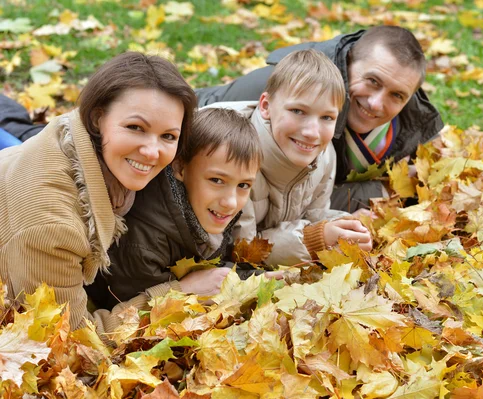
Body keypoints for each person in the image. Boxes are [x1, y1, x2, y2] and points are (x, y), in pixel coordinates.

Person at [0, 52, 197, 338]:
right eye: (135, 128)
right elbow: (73, 342)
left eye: (168, 136)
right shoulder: (53, 228)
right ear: (97, 118)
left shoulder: (74, 138)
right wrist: (181, 293)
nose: (153, 151)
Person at [196, 26, 443, 212]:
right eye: (372, 81)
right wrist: (386, 190)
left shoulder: (412, 127)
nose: (376, 103)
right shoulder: (282, 92)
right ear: (347, 64)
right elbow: (282, 204)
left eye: (397, 95)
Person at [88, 107, 269, 310]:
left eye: (243, 185)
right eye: (217, 180)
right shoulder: (145, 243)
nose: (231, 202)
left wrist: (257, 280)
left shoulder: (205, 212)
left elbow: (214, 274)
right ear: (180, 168)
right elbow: (135, 318)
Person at [210, 49, 373, 267]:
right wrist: (314, 239)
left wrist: (342, 227)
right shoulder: (236, 154)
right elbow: (241, 252)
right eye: (298, 111)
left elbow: (314, 216)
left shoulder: (324, 154)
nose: (312, 132)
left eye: (327, 117)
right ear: (266, 106)